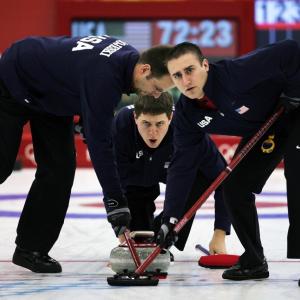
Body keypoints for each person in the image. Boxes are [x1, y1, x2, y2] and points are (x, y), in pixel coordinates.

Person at [0, 35, 174, 273]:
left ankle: (31, 249)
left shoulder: (127, 60)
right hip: (12, 78)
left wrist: (85, 116)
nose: (156, 95)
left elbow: (78, 69)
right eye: (156, 88)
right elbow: (101, 146)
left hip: (51, 96)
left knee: (60, 168)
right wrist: (116, 203)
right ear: (144, 70)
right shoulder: (106, 79)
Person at [156, 40, 300, 280]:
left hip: (294, 109)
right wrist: (170, 220)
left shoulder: (234, 74)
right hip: (268, 126)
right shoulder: (186, 114)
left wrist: (294, 91)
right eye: (177, 75)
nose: (185, 80)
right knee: (234, 188)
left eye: (189, 70)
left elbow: (290, 52)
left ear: (205, 65)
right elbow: (181, 167)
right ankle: (254, 261)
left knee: (297, 175)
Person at [112, 93, 231, 255]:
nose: (152, 133)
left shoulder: (188, 129)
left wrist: (220, 234)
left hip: (180, 176)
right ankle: (150, 231)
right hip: (137, 177)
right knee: (140, 242)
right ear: (135, 117)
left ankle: (168, 232)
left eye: (160, 124)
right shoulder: (121, 125)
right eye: (146, 123)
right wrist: (121, 229)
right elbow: (117, 182)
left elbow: (223, 179)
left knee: (203, 178)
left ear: (170, 117)